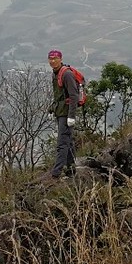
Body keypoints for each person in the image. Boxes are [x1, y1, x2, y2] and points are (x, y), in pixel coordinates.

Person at [47, 49, 82, 178]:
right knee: (68, 141)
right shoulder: (55, 73)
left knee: (62, 143)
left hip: (66, 113)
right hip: (60, 111)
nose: (53, 61)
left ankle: (56, 172)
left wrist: (71, 116)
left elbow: (74, 96)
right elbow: (58, 96)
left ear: (60, 59)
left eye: (55, 58)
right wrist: (51, 109)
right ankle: (71, 169)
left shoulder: (66, 74)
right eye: (50, 59)